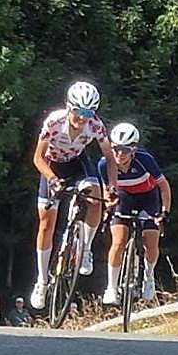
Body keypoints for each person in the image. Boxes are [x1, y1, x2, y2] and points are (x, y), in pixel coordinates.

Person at [30, 81, 118, 310]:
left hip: (78, 164)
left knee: (95, 196)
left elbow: (109, 158)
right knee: (46, 223)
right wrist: (51, 179)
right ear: (69, 107)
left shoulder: (95, 126)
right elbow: (38, 158)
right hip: (52, 166)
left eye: (88, 113)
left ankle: (85, 249)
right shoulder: (54, 122)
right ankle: (42, 280)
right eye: (79, 112)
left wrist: (112, 188)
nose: (82, 118)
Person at [98, 122, 172, 305]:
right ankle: (112, 288)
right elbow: (106, 190)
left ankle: (149, 276)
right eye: (115, 148)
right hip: (124, 198)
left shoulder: (144, 159)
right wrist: (108, 205)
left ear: (134, 150)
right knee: (118, 241)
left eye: (124, 150)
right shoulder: (104, 164)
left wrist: (164, 212)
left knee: (150, 239)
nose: (119, 154)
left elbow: (163, 185)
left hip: (148, 198)